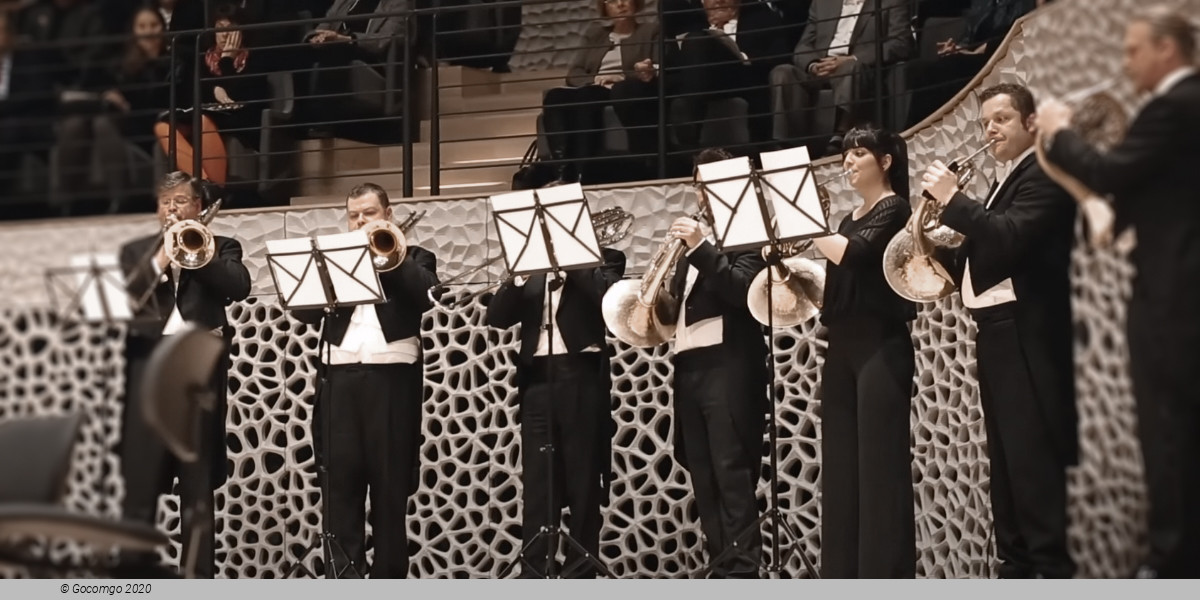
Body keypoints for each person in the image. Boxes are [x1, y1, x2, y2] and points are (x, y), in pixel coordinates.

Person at [1036, 5, 1200, 579]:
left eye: (1133, 51)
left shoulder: (1175, 105)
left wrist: (1056, 134)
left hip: (1175, 298)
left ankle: (1173, 562)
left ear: (1166, 50)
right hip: (1172, 286)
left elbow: (1110, 173)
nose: (1125, 63)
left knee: (1169, 432)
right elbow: (1152, 191)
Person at [922, 82, 1077, 578]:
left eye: (1002, 119)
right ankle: (1016, 563)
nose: (990, 130)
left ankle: (1049, 567)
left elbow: (1011, 238)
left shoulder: (1045, 173)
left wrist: (954, 200)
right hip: (993, 330)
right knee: (1007, 460)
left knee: (1031, 457)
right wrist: (930, 243)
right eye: (985, 121)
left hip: (1026, 332)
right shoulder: (1000, 183)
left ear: (1031, 123)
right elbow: (983, 248)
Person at [290, 182, 440, 579]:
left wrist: (389, 255)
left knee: (390, 489)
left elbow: (425, 296)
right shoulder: (334, 260)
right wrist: (332, 269)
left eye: (368, 213)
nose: (359, 221)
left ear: (387, 214)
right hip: (339, 376)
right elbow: (304, 314)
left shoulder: (417, 256)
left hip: (391, 379)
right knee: (340, 489)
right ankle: (344, 578)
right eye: (353, 215)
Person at [117, 171, 251, 578]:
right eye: (164, 203)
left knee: (196, 488)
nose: (171, 209)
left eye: (179, 201)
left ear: (197, 206)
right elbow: (122, 296)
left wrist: (198, 252)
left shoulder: (222, 245)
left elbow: (239, 286)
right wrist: (162, 254)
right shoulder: (137, 251)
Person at [484, 217, 626, 578]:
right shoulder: (530, 270)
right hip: (537, 381)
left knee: (582, 481)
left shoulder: (605, 258)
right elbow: (497, 317)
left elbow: (607, 302)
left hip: (580, 374)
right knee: (538, 483)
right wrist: (518, 275)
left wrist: (573, 258)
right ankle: (534, 570)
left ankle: (580, 573)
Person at [807, 126, 916, 578]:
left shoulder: (895, 208)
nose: (847, 163)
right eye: (845, 156)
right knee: (842, 468)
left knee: (878, 466)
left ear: (885, 161)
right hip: (842, 345)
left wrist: (808, 225)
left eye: (858, 154)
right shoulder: (851, 216)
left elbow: (857, 254)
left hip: (879, 344)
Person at [665, 147, 768, 578]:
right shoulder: (696, 241)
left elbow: (743, 289)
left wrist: (700, 247)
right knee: (703, 473)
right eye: (699, 183)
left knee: (731, 470)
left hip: (728, 363)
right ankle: (721, 566)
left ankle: (744, 570)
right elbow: (671, 304)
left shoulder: (749, 230)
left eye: (712, 180)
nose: (704, 191)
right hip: (689, 365)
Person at [539, 0, 659, 183]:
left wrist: (622, 78)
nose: (620, 4)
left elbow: (653, 69)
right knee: (554, 97)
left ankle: (581, 173)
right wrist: (594, 80)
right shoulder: (595, 34)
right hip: (592, 86)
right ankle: (563, 173)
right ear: (604, 7)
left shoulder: (650, 31)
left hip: (620, 89)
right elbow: (575, 73)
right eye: (612, 1)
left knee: (588, 97)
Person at [771, 0, 912, 154]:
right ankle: (785, 144)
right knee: (783, 72)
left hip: (857, 67)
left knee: (851, 68)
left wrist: (854, 58)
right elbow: (803, 46)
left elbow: (900, 43)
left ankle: (840, 137)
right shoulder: (822, 3)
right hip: (820, 67)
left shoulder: (890, 2)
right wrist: (813, 64)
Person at [155, 3, 270, 186]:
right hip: (200, 118)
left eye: (231, 29)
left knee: (202, 121)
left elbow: (237, 99)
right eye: (220, 29)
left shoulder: (255, 61)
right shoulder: (201, 60)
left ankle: (207, 186)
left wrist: (227, 61)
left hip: (238, 124)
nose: (224, 35)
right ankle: (205, 185)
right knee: (164, 127)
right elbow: (190, 96)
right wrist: (213, 89)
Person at [665, 0, 790, 150]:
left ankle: (689, 141)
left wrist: (744, 57)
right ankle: (690, 143)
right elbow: (674, 60)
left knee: (696, 44)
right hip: (705, 79)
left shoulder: (760, 14)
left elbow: (781, 52)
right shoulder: (692, 20)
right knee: (696, 41)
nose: (718, 1)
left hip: (744, 76)